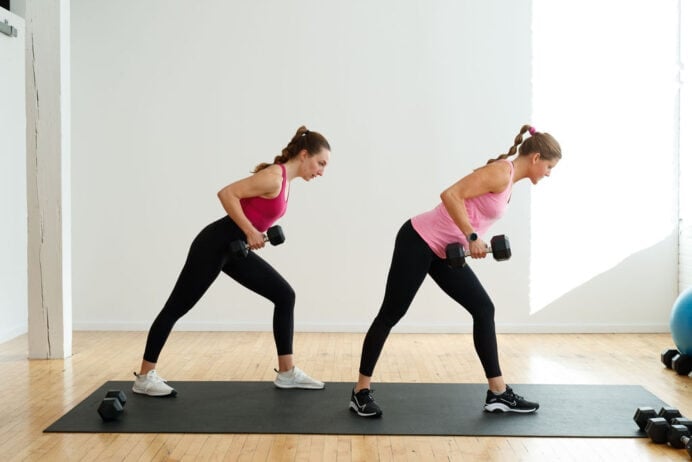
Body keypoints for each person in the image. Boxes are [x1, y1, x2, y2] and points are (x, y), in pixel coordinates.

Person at [349, 125, 561, 417]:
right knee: (391, 313)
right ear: (536, 158)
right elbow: (450, 194)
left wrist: (468, 238)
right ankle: (360, 392)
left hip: (445, 252)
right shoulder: (501, 172)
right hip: (418, 240)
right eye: (549, 166)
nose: (549, 173)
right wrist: (473, 236)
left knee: (483, 308)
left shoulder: (508, 181)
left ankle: (498, 394)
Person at [133, 126, 331, 396]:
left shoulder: (285, 183)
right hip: (213, 245)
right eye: (320, 163)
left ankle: (287, 373)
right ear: (305, 155)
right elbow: (227, 193)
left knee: (285, 295)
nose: (321, 171)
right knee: (176, 307)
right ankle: (144, 377)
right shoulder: (274, 176)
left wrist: (251, 233)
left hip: (235, 250)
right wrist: (250, 230)